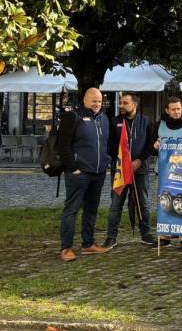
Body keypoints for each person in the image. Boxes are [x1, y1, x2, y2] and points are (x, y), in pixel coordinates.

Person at [55, 88, 112, 261]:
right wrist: (74, 168)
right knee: (71, 210)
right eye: (94, 101)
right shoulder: (73, 116)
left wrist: (106, 162)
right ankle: (66, 248)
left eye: (100, 101)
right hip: (79, 173)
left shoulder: (104, 118)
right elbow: (63, 146)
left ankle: (88, 243)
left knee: (91, 209)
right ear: (85, 100)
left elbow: (106, 144)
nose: (97, 104)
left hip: (98, 172)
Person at [103, 93, 159, 249]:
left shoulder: (146, 121)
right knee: (116, 204)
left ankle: (145, 234)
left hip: (140, 169)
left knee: (143, 203)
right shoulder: (114, 121)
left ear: (134, 105)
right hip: (120, 170)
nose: (121, 105)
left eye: (125, 103)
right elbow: (110, 145)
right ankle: (111, 236)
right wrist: (121, 160)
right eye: (120, 102)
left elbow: (150, 145)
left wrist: (139, 160)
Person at [151, 96, 182, 250]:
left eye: (179, 109)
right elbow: (151, 149)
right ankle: (164, 236)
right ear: (167, 110)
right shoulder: (159, 125)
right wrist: (155, 146)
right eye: (173, 109)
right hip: (163, 171)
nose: (177, 112)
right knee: (163, 203)